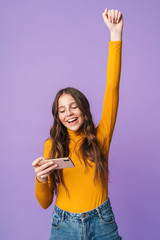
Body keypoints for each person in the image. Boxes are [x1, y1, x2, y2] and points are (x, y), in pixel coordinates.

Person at [32, 8, 123, 240]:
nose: (69, 114)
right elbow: (44, 204)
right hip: (64, 225)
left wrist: (115, 36)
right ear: (57, 117)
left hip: (102, 221)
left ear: (83, 108)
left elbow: (112, 88)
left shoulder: (101, 136)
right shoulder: (51, 146)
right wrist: (41, 179)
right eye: (62, 110)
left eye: (73, 106)